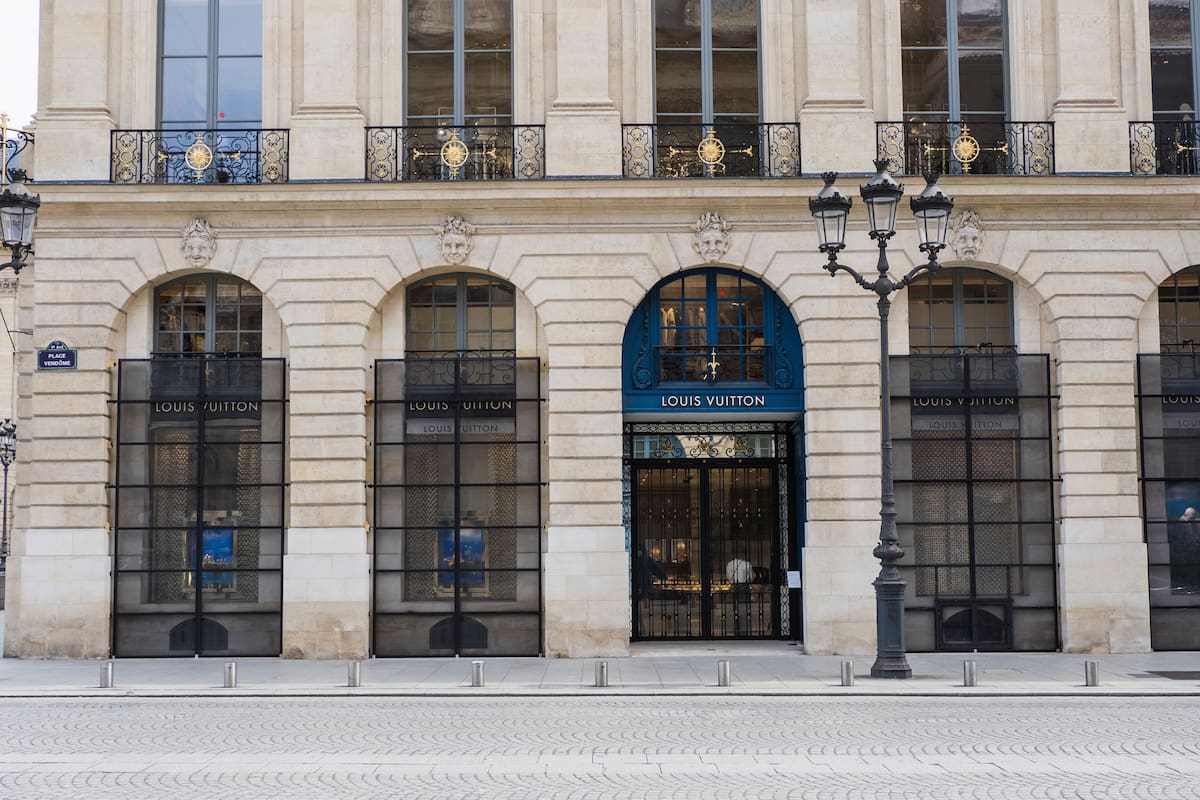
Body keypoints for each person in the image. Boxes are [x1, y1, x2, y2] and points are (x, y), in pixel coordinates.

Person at [726, 556, 754, 636]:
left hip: (735, 587)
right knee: (744, 608)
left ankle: (736, 628)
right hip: (744, 587)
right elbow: (751, 577)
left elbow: (728, 576)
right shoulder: (747, 564)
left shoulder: (730, 564)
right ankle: (744, 629)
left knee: (735, 608)